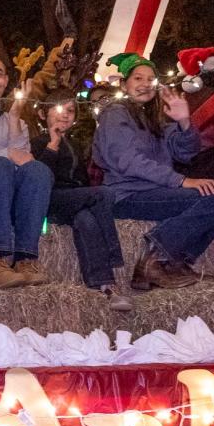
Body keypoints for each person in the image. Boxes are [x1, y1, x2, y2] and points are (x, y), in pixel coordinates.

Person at [93, 53, 214, 290]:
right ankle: (155, 255)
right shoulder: (115, 114)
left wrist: (185, 122)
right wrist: (181, 181)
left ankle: (173, 261)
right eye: (137, 79)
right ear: (124, 84)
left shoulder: (154, 118)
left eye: (150, 79)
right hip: (127, 196)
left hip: (157, 191)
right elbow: (127, 161)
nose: (145, 84)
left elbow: (186, 152)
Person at [31, 88, 131, 310]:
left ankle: (104, 285)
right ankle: (115, 256)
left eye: (70, 110)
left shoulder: (76, 146)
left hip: (74, 200)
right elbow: (40, 179)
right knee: (104, 193)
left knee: (87, 219)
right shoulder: (37, 143)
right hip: (50, 199)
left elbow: (83, 182)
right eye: (59, 110)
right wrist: (53, 145)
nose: (65, 115)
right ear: (42, 115)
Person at [0, 53, 54, 288]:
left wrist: (15, 116)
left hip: (10, 197)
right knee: (0, 165)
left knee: (39, 171)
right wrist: (3, 155)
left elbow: (24, 163)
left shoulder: (16, 121)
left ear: (6, 81)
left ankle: (26, 258)